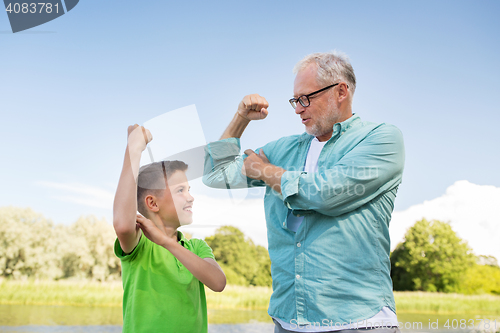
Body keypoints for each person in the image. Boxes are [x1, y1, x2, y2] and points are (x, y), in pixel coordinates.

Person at [203, 51, 405, 332]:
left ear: (341, 91)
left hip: (359, 321)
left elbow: (326, 194)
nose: (298, 108)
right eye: (295, 100)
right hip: (288, 321)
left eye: (306, 98)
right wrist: (240, 120)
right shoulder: (283, 149)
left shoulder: (380, 139)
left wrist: (265, 171)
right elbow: (216, 174)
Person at [113, 124, 226, 333]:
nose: (190, 197)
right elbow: (122, 224)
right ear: (153, 203)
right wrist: (133, 149)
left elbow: (218, 282)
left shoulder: (196, 247)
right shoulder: (140, 245)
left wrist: (167, 242)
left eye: (189, 190)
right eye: (180, 190)